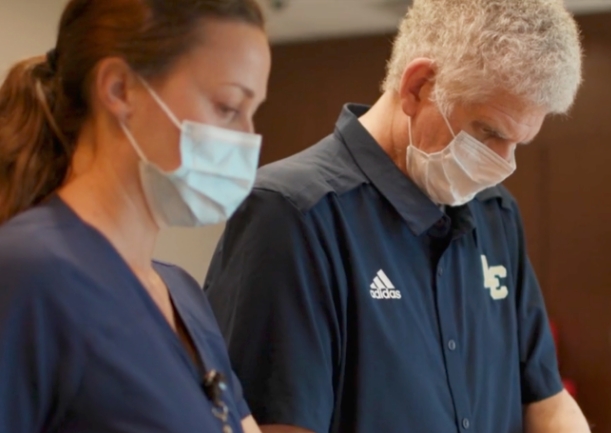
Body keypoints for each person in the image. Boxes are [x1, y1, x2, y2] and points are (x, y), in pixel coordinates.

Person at [205, 0, 591, 432]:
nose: (504, 164)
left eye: (519, 143)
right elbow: (274, 423)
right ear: (419, 87)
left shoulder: (495, 214)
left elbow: (547, 401)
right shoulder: (293, 214)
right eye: (489, 133)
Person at [0, 0, 270, 432]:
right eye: (227, 107)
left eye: (252, 112)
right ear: (120, 89)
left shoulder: (181, 294)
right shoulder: (29, 274)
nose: (247, 138)